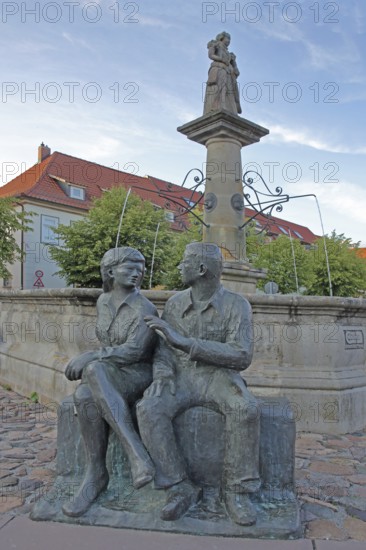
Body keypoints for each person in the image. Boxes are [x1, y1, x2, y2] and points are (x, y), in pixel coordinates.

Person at [137, 243, 260, 526]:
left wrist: (186, 343)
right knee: (148, 408)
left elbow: (242, 355)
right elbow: (164, 351)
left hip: (219, 377)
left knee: (245, 408)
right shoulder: (175, 303)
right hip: (180, 377)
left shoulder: (237, 305)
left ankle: (237, 492)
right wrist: (163, 376)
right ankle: (179, 487)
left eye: (185, 262)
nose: (180, 267)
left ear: (201, 269)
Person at [62, 247, 157, 517]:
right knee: (83, 397)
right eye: (130, 267)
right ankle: (96, 473)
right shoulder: (102, 301)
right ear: (111, 271)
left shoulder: (145, 308)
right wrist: (98, 358)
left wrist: (94, 355)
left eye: (140, 268)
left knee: (92, 371)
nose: (137, 273)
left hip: (137, 373)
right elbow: (108, 342)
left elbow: (136, 351)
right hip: (107, 371)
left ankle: (135, 455)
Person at [203, 31, 242, 115]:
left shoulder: (229, 53)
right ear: (222, 37)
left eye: (230, 39)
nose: (229, 41)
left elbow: (234, 68)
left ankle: (231, 110)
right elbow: (210, 55)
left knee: (230, 91)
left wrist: (233, 63)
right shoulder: (215, 44)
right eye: (227, 38)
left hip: (228, 73)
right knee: (219, 89)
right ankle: (216, 107)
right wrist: (221, 59)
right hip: (219, 69)